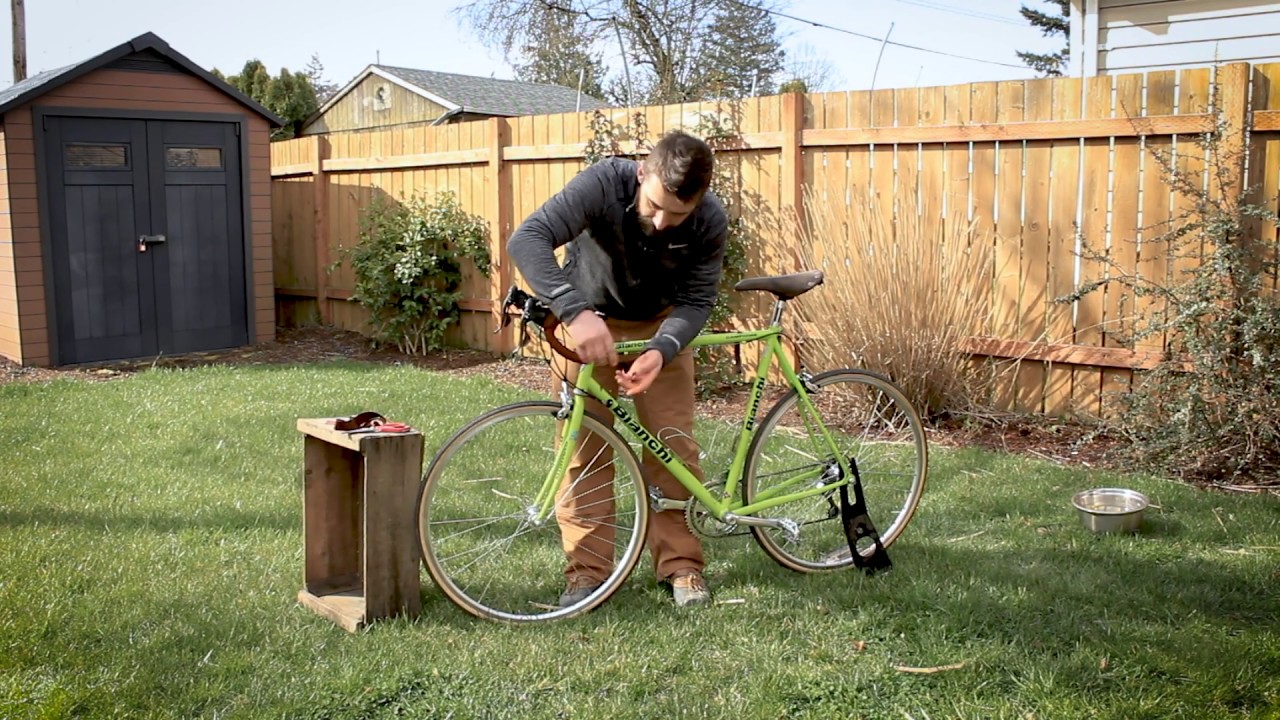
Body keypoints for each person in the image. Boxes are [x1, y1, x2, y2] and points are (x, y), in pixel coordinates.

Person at [506, 129, 729, 608]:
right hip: (588, 327)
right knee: (583, 453)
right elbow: (528, 239)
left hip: (659, 329)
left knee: (674, 453)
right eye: (655, 206)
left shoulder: (709, 220)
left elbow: (696, 300)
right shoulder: (602, 184)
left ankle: (682, 568)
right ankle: (587, 575)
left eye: (679, 213)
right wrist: (573, 311)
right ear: (641, 172)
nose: (665, 222)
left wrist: (662, 350)